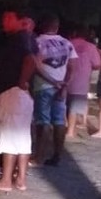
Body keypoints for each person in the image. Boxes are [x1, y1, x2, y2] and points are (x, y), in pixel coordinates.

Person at [0, 8, 37, 191]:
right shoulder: (27, 39)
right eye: (4, 17)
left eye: (9, 17)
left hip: (13, 92)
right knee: (22, 136)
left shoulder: (19, 39)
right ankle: (21, 180)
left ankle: (6, 180)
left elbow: (31, 60)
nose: (5, 21)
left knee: (9, 134)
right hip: (21, 94)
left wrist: (22, 81)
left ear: (20, 20)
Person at [30, 14, 77, 167]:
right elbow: (72, 67)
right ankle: (57, 156)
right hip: (61, 89)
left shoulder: (36, 42)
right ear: (57, 27)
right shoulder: (67, 43)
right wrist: (64, 85)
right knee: (59, 121)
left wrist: (52, 82)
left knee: (42, 121)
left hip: (43, 87)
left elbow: (35, 66)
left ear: (42, 26)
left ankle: (39, 157)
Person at [66, 26, 101, 139]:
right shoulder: (91, 47)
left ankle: (62, 127)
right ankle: (70, 131)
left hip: (64, 79)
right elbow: (97, 64)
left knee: (64, 105)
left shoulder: (67, 43)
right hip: (81, 81)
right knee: (74, 108)